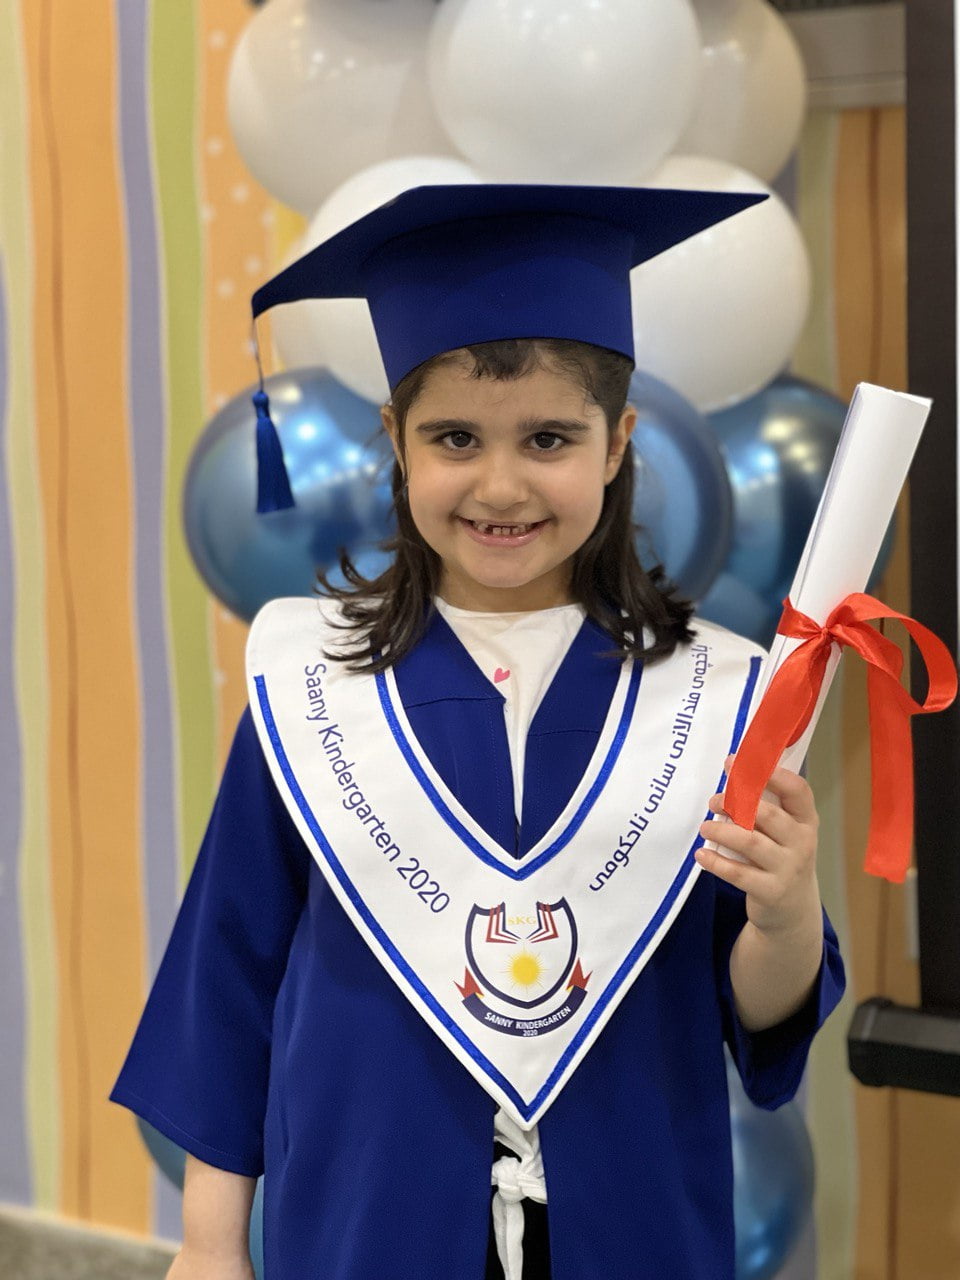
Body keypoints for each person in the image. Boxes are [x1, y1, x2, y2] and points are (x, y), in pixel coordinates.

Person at [112, 185, 845, 1280]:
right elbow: (229, 976)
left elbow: (758, 1013)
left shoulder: (706, 699)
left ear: (616, 444)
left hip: (629, 1210)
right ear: (397, 447)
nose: (500, 482)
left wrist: (786, 909)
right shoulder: (315, 685)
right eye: (455, 436)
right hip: (369, 1213)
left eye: (549, 436)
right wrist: (211, 1243)